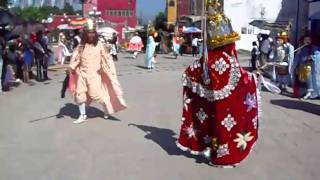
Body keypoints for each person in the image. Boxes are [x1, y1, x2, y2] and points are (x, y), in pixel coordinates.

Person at [177, 0, 259, 168]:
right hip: (227, 106)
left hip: (210, 104)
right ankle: (223, 155)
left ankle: (208, 148)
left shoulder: (204, 61)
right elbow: (244, 80)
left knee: (211, 122)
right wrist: (253, 77)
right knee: (225, 126)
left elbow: (188, 75)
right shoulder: (228, 61)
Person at [68, 19, 127, 124]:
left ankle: (106, 106)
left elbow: (106, 59)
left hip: (94, 75)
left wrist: (105, 69)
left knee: (95, 95)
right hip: (82, 74)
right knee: (79, 95)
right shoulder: (81, 46)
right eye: (89, 33)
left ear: (95, 34)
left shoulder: (99, 45)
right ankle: (83, 115)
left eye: (92, 33)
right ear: (85, 34)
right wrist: (71, 67)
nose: (90, 35)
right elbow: (76, 58)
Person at [293, 34, 320, 99]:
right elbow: (297, 58)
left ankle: (310, 92)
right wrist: (295, 67)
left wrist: (312, 57)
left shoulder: (314, 48)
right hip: (301, 67)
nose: (307, 41)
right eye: (305, 40)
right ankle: (303, 92)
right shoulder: (301, 47)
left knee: (309, 79)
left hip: (310, 67)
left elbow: (318, 55)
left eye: (308, 40)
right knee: (301, 80)